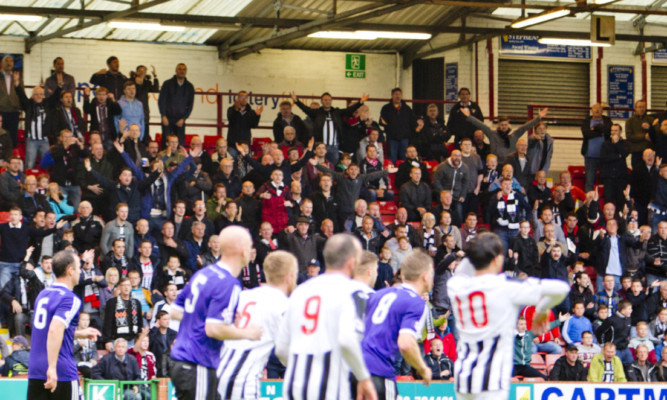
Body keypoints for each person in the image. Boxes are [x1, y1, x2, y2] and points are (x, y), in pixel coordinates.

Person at [446, 233, 570, 400]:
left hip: (465, 377)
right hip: (492, 380)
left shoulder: (456, 285)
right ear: (498, 260)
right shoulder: (506, 288)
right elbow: (561, 288)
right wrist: (542, 309)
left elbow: (464, 267)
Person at [275, 234, 377, 400]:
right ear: (352, 261)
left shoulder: (301, 291)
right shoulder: (350, 291)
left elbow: (280, 348)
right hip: (328, 389)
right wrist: (363, 377)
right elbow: (347, 340)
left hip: (293, 388)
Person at [169, 226, 262, 400]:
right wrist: (247, 332)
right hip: (197, 362)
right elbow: (213, 330)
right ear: (243, 251)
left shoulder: (203, 273)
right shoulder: (229, 283)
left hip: (184, 360)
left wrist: (210, 315)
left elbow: (175, 311)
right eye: (250, 246)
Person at [217, 251, 298, 400]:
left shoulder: (243, 296)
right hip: (242, 379)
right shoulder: (283, 305)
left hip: (217, 371)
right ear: (289, 276)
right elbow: (284, 352)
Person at [27, 250, 101, 400]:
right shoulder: (70, 299)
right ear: (70, 271)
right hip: (60, 371)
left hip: (35, 369)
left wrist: (78, 333)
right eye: (79, 267)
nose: (80, 271)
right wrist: (52, 368)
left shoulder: (43, 294)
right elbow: (54, 330)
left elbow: (47, 330)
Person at [362, 250, 434, 396]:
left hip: (355, 369)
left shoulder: (379, 294)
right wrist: (423, 368)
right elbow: (406, 343)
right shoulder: (416, 303)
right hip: (379, 372)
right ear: (425, 276)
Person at [291, 90, 368, 165]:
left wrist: (360, 102)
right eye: (325, 100)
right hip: (321, 146)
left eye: (329, 100)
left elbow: (349, 110)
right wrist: (296, 101)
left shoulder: (337, 112)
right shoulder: (317, 113)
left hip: (334, 146)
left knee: (332, 167)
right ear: (321, 101)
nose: (327, 101)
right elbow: (305, 109)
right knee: (320, 165)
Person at [462, 108, 547, 162]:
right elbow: (481, 125)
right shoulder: (492, 134)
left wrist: (538, 118)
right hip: (495, 164)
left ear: (508, 125)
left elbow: (525, 127)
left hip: (510, 164)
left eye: (505, 125)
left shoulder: (514, 135)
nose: (504, 127)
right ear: (498, 125)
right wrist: (469, 117)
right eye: (502, 125)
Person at [379, 88, 423, 163]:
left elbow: (413, 120)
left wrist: (418, 123)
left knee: (404, 157)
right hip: (392, 137)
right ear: (392, 95)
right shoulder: (386, 108)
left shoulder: (407, 108)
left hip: (404, 138)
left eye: (399, 94)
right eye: (396, 94)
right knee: (392, 158)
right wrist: (386, 125)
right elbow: (381, 121)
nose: (398, 96)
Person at [158, 63, 195, 147]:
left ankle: (179, 160)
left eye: (184, 69)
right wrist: (163, 115)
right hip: (167, 118)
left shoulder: (189, 87)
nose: (182, 71)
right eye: (180, 69)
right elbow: (161, 101)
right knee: (166, 143)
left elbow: (190, 105)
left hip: (180, 120)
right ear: (176, 70)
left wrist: (183, 118)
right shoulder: (167, 84)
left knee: (180, 144)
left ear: (186, 71)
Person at [581, 103, 612, 192]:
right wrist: (600, 131)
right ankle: (589, 203)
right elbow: (586, 134)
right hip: (590, 156)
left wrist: (594, 129)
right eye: (595, 108)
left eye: (599, 108)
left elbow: (608, 132)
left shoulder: (607, 120)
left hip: (604, 156)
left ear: (602, 111)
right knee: (589, 181)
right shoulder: (587, 121)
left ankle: (604, 203)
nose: (597, 110)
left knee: (604, 181)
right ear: (591, 110)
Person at [599, 124, 630, 208]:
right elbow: (603, 158)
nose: (613, 132)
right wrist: (617, 156)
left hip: (620, 177)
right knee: (608, 200)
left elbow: (624, 153)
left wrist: (616, 143)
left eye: (616, 130)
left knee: (621, 201)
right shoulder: (605, 143)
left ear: (620, 132)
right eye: (612, 130)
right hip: (608, 177)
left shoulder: (625, 143)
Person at [597, 300, 634, 365]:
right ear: (623, 310)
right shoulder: (611, 320)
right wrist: (602, 344)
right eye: (629, 309)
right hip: (614, 349)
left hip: (625, 347)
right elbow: (599, 332)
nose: (631, 311)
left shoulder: (629, 319)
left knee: (631, 364)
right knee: (616, 366)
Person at [149, 310, 177, 377]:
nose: (168, 321)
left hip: (171, 364)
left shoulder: (174, 334)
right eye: (165, 319)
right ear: (158, 321)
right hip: (157, 364)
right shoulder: (153, 333)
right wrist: (155, 328)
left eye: (168, 319)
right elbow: (149, 343)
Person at [0, 56, 20, 147]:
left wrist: (19, 107)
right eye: (6, 61)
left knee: (13, 137)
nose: (9, 63)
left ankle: (12, 158)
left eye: (11, 61)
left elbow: (21, 93)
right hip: (1, 111)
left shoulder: (17, 76)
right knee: (1, 136)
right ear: (2, 64)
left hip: (13, 111)